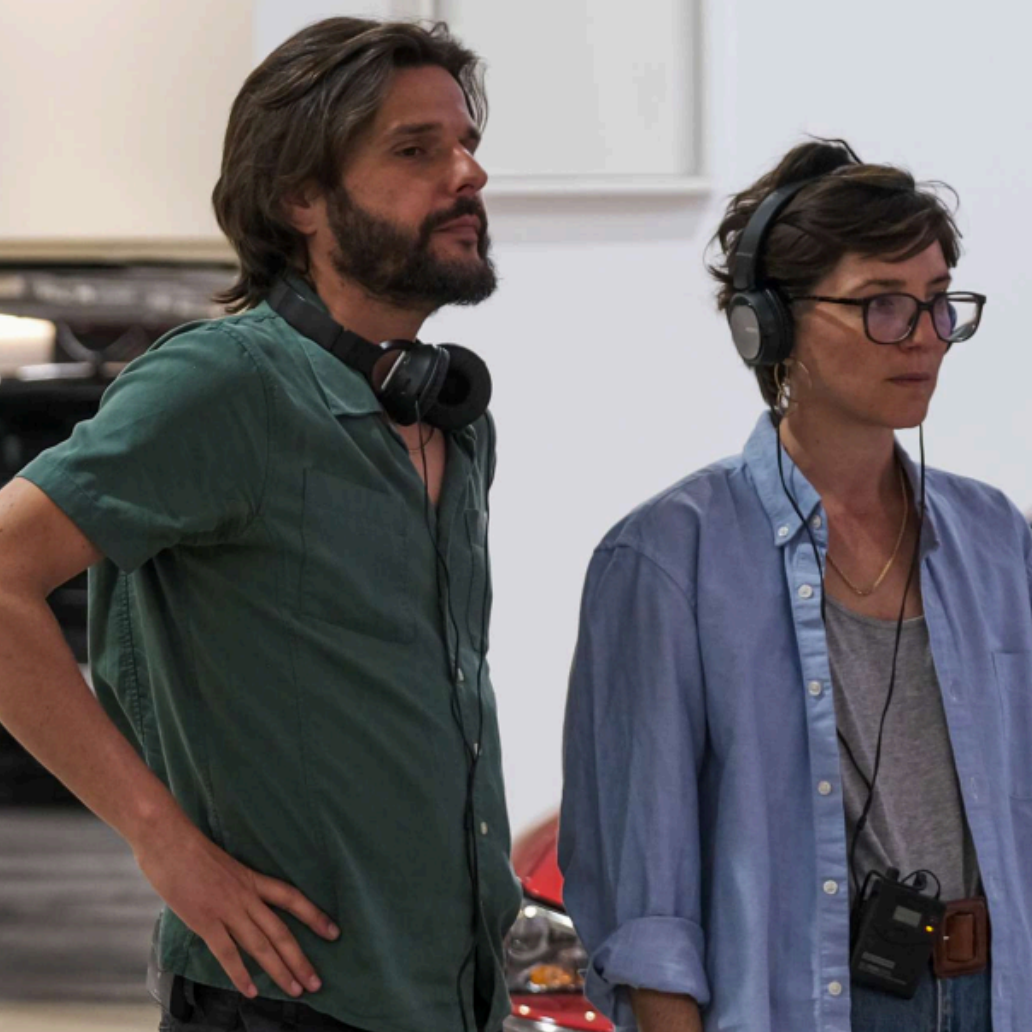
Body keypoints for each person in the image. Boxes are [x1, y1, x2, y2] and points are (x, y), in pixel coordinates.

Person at [0, 17, 520, 1032]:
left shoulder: (451, 420)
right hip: (283, 1004)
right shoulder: (224, 384)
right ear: (300, 198)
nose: (469, 174)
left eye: (466, 143)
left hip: (450, 998)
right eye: (416, 150)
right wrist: (163, 843)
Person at [559, 139, 1032, 1032]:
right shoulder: (666, 559)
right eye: (883, 305)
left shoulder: (998, 541)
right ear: (769, 326)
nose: (925, 337)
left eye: (938, 303)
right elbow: (647, 910)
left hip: (995, 998)